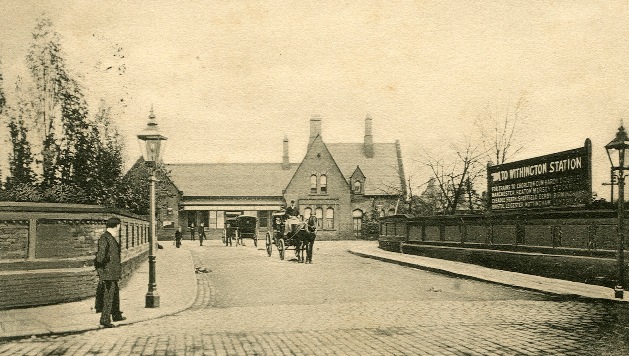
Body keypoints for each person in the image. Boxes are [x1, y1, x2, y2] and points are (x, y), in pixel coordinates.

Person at [95, 217, 125, 328]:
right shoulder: (105, 238)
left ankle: (116, 315)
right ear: (117, 225)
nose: (120, 227)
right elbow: (100, 257)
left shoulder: (110, 237)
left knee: (115, 293)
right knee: (108, 296)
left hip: (112, 272)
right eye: (119, 225)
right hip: (108, 273)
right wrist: (102, 268)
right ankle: (105, 319)